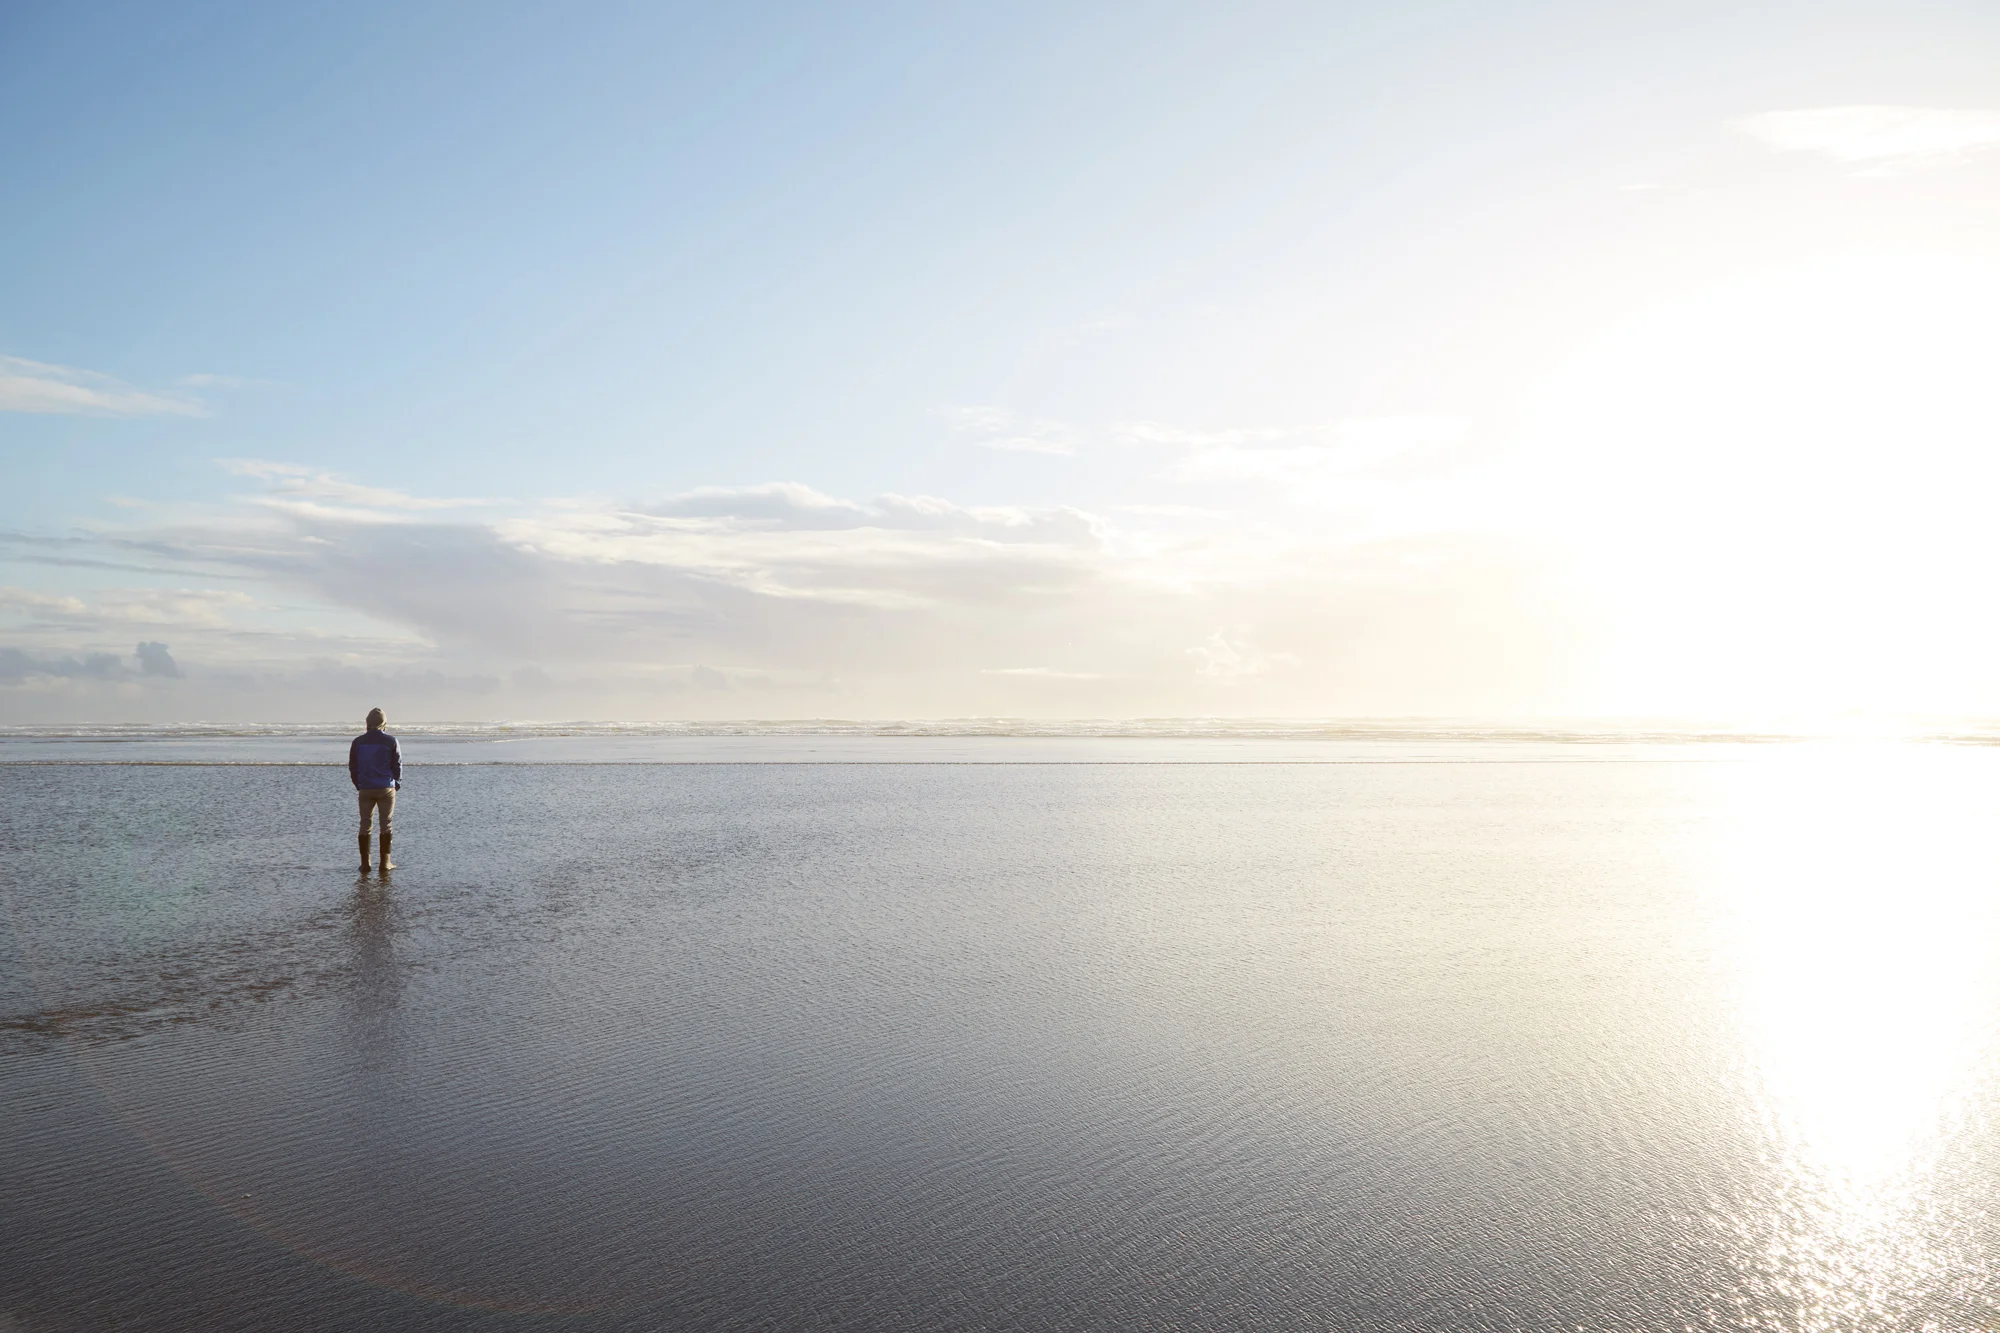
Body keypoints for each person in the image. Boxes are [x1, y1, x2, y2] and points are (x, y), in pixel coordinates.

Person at [349, 707, 402, 872]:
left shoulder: (358, 742)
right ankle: (385, 862)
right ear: (383, 723)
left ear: (368, 723)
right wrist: (397, 783)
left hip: (365, 787)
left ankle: (365, 863)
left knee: (365, 824)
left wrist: (359, 784)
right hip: (386, 786)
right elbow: (397, 764)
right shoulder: (391, 740)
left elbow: (353, 766)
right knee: (386, 824)